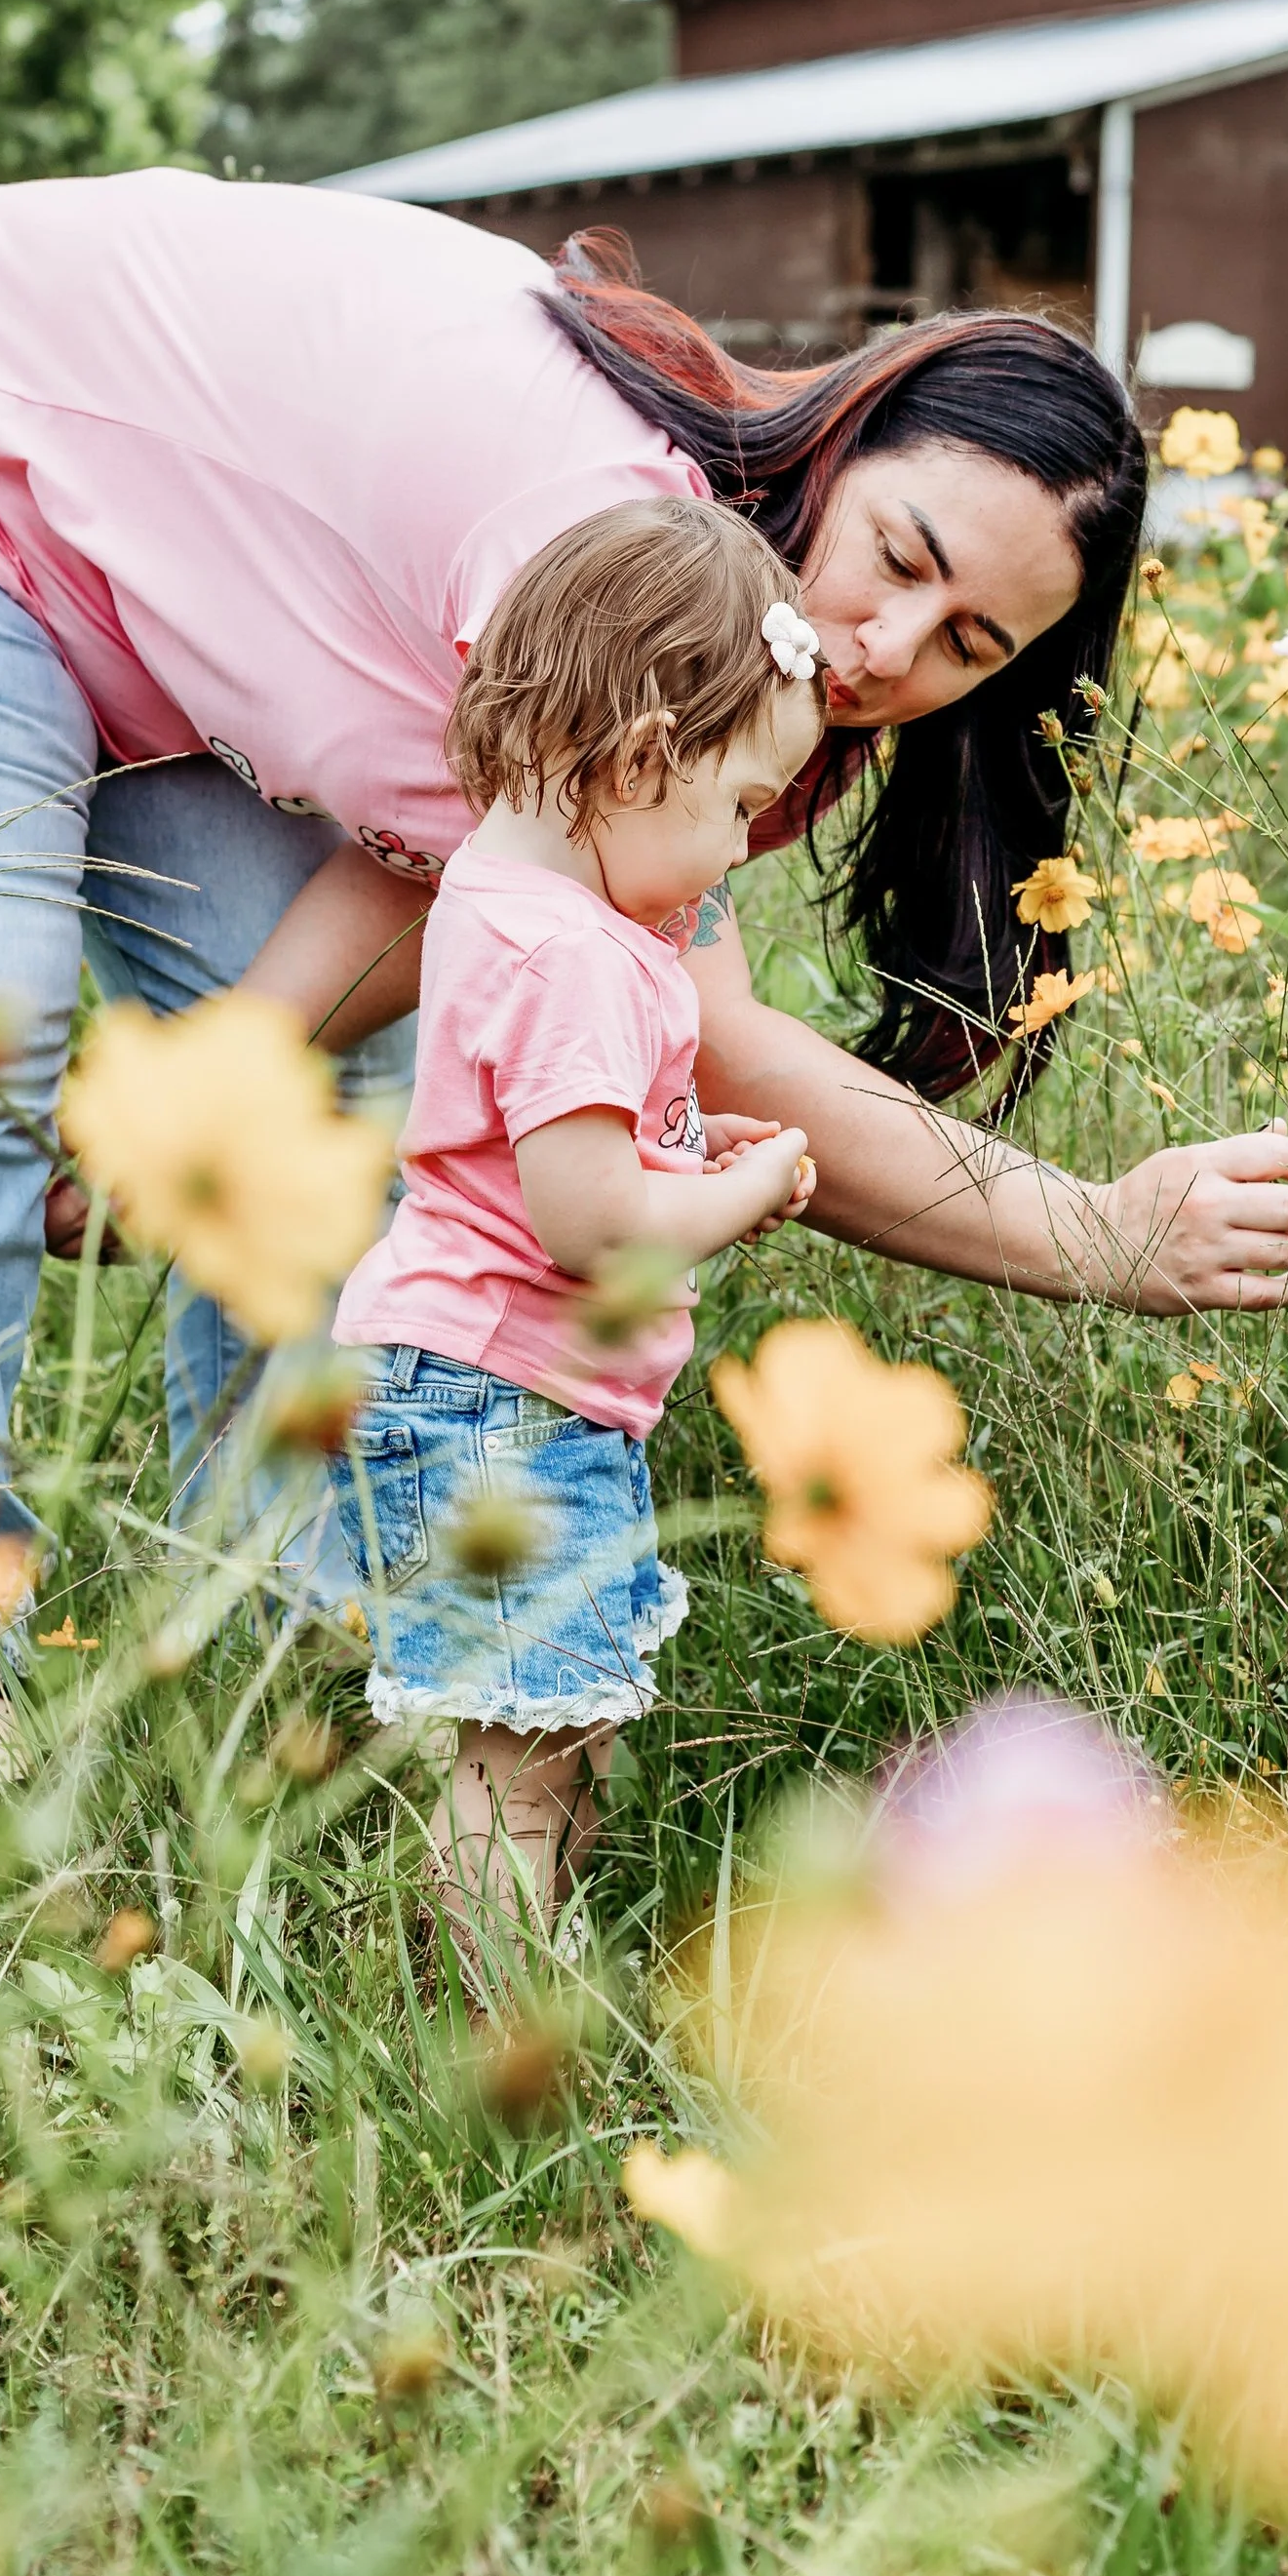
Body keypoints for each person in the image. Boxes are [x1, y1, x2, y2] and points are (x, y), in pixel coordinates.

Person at [0, 171, 1288, 1548]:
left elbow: (453, 861)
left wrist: (198, 1099)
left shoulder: (760, 657)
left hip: (153, 601)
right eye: (899, 558)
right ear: (844, 437)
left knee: (362, 1081)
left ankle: (270, 1619)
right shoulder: (616, 540)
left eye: (966, 641)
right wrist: (1097, 1234)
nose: (886, 647)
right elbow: (707, 1034)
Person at [329, 498, 824, 1939]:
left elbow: (555, 1135)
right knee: (526, 1751)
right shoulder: (576, 961)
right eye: (740, 808)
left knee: (555, 1723)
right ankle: (487, 2011)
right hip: (505, 1399)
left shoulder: (508, 899)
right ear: (644, 759)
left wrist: (682, 1139)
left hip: (481, 1383)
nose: (740, 852)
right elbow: (595, 1227)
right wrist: (746, 1187)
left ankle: (519, 1959)